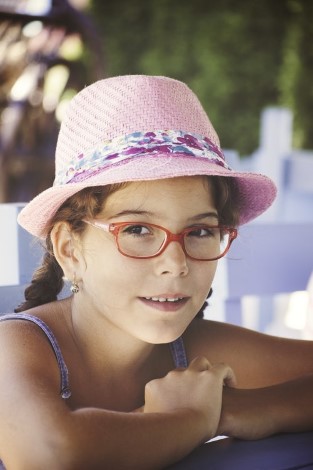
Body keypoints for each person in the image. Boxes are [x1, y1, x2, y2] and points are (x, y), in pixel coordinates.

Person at [0, 75, 312, 469]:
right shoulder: (16, 345)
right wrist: (193, 419)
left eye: (200, 231)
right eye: (137, 230)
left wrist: (245, 407)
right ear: (69, 248)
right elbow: (49, 454)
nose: (176, 263)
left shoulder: (196, 352)